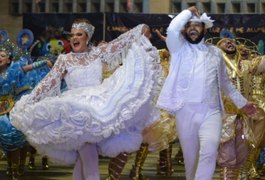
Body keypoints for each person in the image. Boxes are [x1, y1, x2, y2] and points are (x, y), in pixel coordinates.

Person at [10, 18, 161, 180]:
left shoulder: (97, 53)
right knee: (89, 155)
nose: (74, 38)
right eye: (72, 35)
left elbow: (121, 43)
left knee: (85, 158)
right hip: (75, 111)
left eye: (79, 34)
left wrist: (139, 30)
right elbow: (48, 83)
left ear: (87, 37)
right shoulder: (64, 59)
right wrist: (30, 101)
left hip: (98, 107)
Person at [156, 6, 257, 180]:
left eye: (197, 25)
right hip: (184, 111)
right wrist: (188, 11)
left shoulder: (216, 53)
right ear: (184, 29)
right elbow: (172, 30)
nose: (193, 28)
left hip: (211, 112)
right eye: (189, 25)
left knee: (209, 152)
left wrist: (243, 104)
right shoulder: (178, 49)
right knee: (191, 161)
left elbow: (225, 83)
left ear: (204, 29)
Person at [0, 39, 52, 180]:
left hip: (11, 108)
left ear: (9, 59)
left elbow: (29, 67)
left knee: (14, 136)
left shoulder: (14, 71)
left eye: (2, 55)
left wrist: (43, 62)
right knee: (5, 141)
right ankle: (10, 167)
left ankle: (16, 168)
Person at [216, 37, 265, 179]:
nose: (230, 42)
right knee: (228, 158)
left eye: (232, 41)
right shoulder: (215, 66)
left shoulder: (246, 65)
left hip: (244, 119)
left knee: (240, 157)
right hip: (225, 118)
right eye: (225, 41)